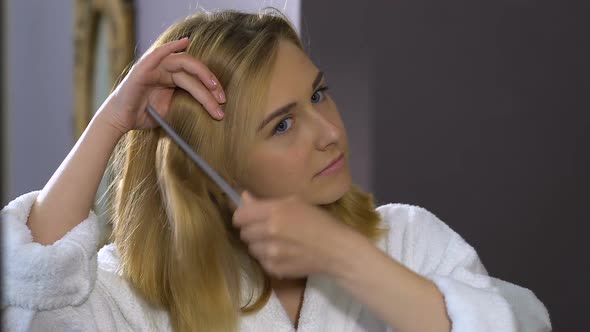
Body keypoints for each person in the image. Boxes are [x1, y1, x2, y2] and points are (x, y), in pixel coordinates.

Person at [1, 8, 551, 332]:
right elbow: (33, 303)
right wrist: (112, 119)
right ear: (214, 168)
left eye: (319, 94)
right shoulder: (138, 297)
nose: (330, 131)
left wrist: (343, 255)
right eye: (282, 125)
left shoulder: (403, 241)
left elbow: (519, 322)